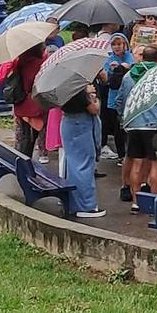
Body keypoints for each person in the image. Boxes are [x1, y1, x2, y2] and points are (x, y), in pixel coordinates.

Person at [116, 45, 157, 213]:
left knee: (136, 162)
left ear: (142, 57)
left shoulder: (128, 75)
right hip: (154, 125)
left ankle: (136, 202)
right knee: (155, 163)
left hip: (133, 124)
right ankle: (154, 201)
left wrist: (125, 118)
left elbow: (120, 100)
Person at [60, 82, 104, 218]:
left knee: (72, 163)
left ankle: (73, 202)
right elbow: (94, 109)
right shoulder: (77, 87)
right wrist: (91, 96)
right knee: (83, 164)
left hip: (68, 122)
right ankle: (86, 206)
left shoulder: (61, 85)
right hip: (80, 125)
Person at [99, 33, 133, 160]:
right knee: (117, 127)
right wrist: (109, 71)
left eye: (119, 44)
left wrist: (125, 67)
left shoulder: (130, 57)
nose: (117, 47)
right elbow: (106, 80)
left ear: (125, 45)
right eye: (114, 45)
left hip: (128, 96)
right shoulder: (109, 59)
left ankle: (129, 153)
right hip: (114, 96)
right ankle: (121, 155)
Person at [11, 43, 47, 163]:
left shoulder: (19, 61)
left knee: (22, 137)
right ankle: (25, 165)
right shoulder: (41, 62)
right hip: (35, 104)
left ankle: (19, 162)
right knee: (32, 137)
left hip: (21, 103)